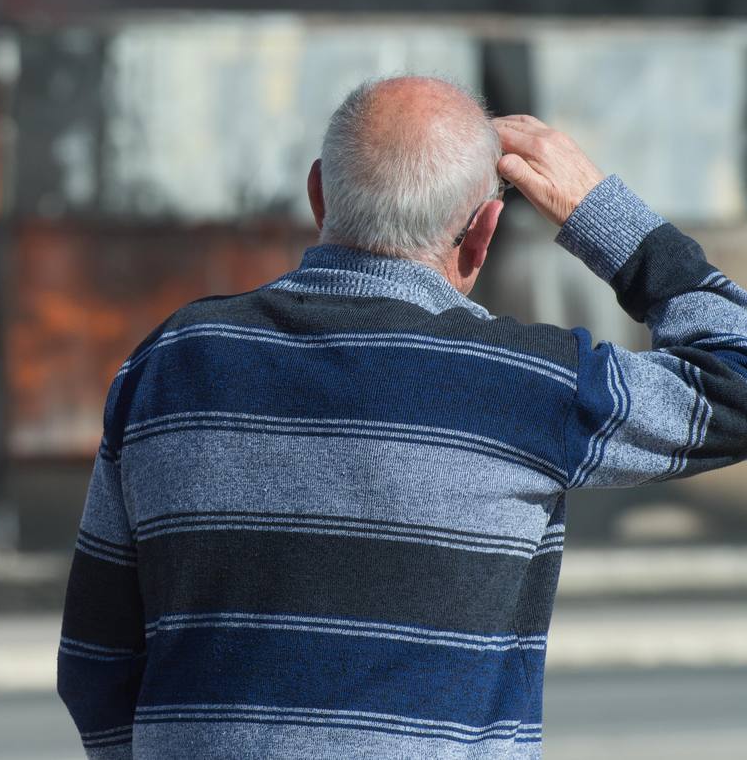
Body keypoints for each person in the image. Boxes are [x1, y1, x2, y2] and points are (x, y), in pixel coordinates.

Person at [56, 76, 747, 759]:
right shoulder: (528, 385)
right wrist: (603, 216)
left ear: (320, 192)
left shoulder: (172, 362)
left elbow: (95, 659)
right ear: (481, 235)